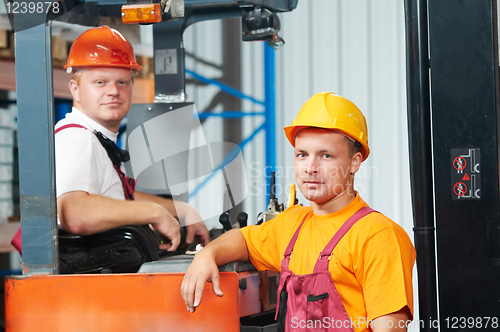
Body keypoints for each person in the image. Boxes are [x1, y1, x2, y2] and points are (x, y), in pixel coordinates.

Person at [181, 92, 416, 331]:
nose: (310, 168)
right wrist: (206, 255)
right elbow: (242, 239)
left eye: (326, 156)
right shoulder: (292, 225)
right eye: (302, 155)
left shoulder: (378, 236)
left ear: (355, 162)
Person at [56, 26, 210, 251]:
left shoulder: (96, 138)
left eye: (122, 82)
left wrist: (181, 210)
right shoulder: (78, 138)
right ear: (75, 89)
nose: (113, 91)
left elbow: (117, 193)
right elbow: (75, 213)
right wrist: (153, 212)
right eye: (100, 82)